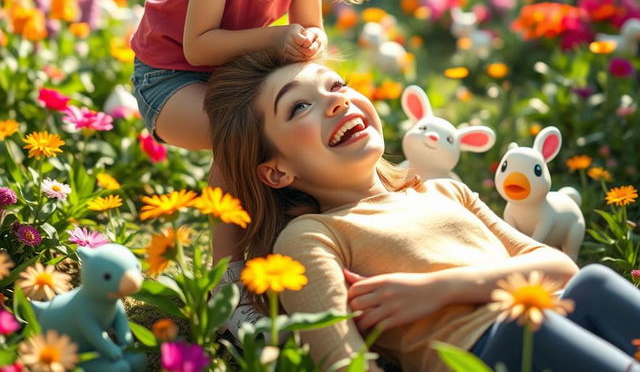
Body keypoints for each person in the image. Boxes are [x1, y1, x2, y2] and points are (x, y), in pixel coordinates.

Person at [205, 50, 640, 372]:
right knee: (527, 326)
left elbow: (557, 266)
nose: (336, 102)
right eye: (299, 106)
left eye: (336, 85)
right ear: (277, 171)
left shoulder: (444, 192)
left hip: (546, 315)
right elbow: (345, 362)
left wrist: (438, 289)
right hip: (493, 350)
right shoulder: (311, 236)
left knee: (595, 283)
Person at [129, 0, 389, 337]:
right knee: (244, 138)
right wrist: (277, 41)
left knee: (297, 143)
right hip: (169, 76)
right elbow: (198, 45)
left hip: (237, 74)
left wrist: (309, 45)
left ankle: (307, 258)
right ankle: (227, 286)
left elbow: (310, 29)